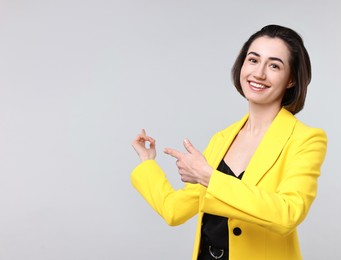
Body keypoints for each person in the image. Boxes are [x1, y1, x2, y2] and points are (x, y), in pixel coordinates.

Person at [131, 24, 327, 260]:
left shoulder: (306, 139)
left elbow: (288, 214)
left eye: (274, 65)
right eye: (253, 60)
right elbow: (174, 210)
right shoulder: (221, 139)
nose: (259, 73)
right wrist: (147, 162)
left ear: (291, 80)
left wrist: (208, 177)